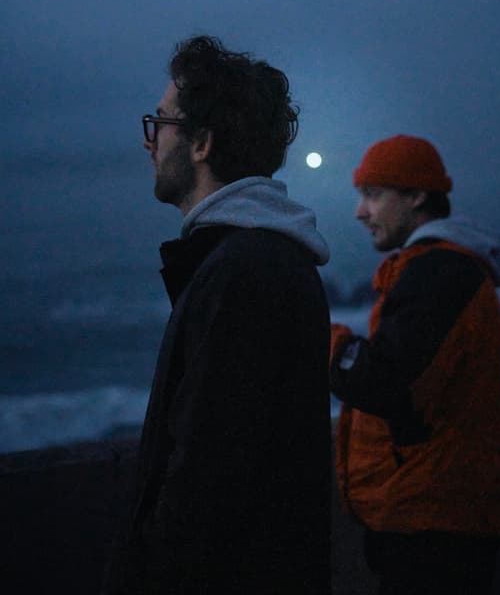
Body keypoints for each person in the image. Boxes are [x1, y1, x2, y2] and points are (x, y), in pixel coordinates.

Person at [103, 35, 332, 595]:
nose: (149, 142)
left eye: (161, 123)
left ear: (202, 143)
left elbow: (204, 480)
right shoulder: (254, 260)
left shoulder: (242, 273)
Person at [330, 135, 500, 595]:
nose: (360, 212)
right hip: (434, 512)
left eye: (373, 195)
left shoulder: (439, 272)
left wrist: (320, 339)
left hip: (434, 522)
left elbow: (383, 382)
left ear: (416, 196)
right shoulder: (439, 267)